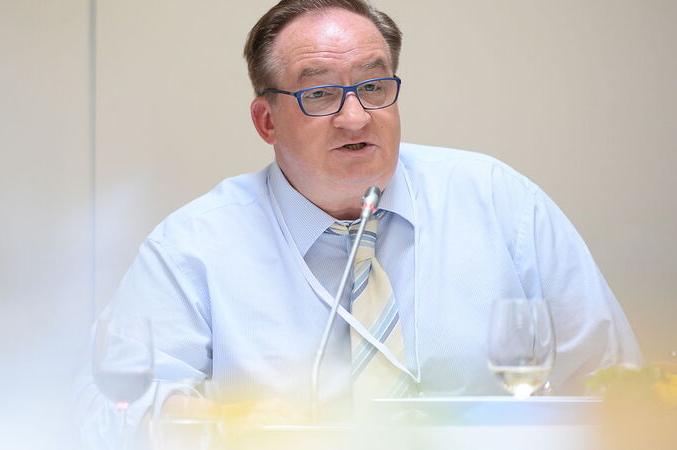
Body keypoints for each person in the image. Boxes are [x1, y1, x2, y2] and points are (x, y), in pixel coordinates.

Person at [75, 0, 642, 445]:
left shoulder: (498, 202)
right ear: (266, 121)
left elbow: (617, 383)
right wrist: (211, 422)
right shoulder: (194, 246)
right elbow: (103, 412)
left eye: (373, 87)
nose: (355, 117)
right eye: (321, 93)